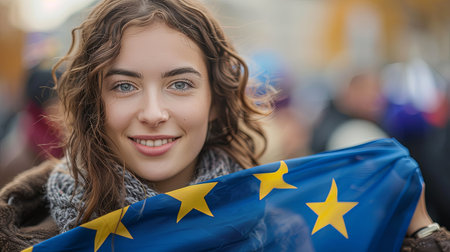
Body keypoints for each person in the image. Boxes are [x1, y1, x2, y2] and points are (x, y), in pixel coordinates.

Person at [0, 0, 448, 251]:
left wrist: (422, 234)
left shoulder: (289, 231)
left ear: (215, 101)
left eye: (179, 84)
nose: (154, 111)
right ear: (93, 104)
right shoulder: (28, 236)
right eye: (123, 87)